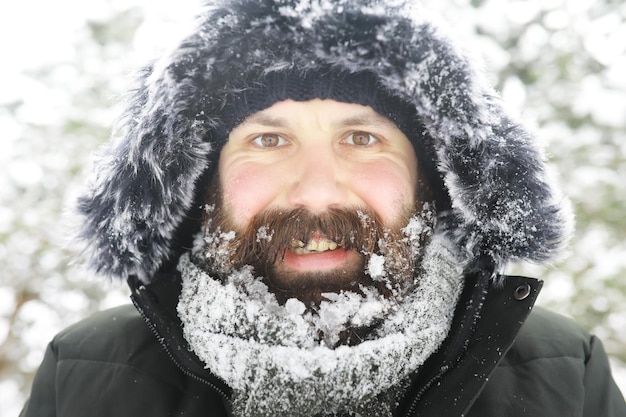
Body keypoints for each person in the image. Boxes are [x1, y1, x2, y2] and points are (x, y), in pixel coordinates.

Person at [20, 0, 626, 416]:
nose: (316, 190)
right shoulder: (84, 374)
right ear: (202, 181)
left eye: (362, 139)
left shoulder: (564, 375)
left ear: (432, 180)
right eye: (268, 140)